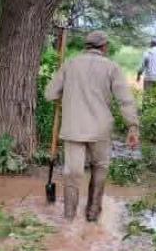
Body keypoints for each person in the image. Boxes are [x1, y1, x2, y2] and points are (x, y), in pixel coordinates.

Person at [45, 31, 140, 222]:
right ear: (104, 47)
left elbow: (50, 94)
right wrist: (132, 126)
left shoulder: (70, 64)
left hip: (73, 129)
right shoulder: (112, 67)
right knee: (100, 168)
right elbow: (126, 101)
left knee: (72, 174)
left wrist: (65, 91)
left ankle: (69, 217)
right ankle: (93, 213)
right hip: (100, 129)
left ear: (86, 46)